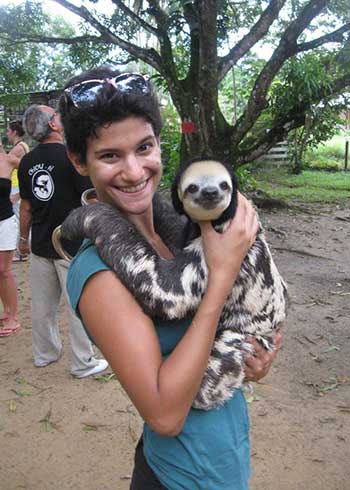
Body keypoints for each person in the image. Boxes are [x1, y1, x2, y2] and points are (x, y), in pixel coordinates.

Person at [59, 67, 282, 489]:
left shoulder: (173, 226)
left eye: (145, 147)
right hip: (177, 478)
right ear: (78, 160)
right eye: (109, 155)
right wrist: (222, 273)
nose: (134, 170)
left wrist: (256, 359)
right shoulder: (98, 275)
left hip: (225, 462)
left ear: (160, 144)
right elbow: (165, 415)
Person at [17, 104, 108, 378]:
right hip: (70, 244)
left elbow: (26, 207)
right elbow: (91, 198)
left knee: (42, 305)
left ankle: (44, 354)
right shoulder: (73, 157)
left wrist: (23, 238)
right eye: (57, 116)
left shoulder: (27, 162)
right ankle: (84, 363)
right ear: (54, 125)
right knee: (78, 304)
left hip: (41, 242)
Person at [0, 120, 30, 262]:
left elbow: (6, 161)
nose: (7, 134)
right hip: (15, 185)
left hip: (16, 185)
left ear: (14, 132)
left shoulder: (18, 148)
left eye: (8, 131)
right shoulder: (21, 146)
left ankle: (20, 251)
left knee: (18, 219)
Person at [0, 141, 21, 335]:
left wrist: (18, 196)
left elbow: (30, 174)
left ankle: (13, 317)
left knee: (4, 270)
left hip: (5, 222)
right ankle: (5, 310)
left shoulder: (9, 161)